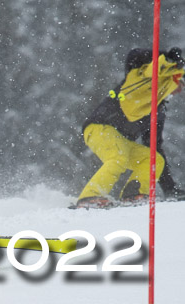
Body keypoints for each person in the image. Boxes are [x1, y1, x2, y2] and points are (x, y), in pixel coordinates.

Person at [76, 47, 184, 208]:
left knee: (154, 159)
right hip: (100, 127)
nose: (180, 88)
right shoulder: (139, 80)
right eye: (179, 82)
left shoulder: (157, 110)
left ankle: (134, 193)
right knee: (118, 157)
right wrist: (165, 57)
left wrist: (170, 189)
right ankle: (90, 196)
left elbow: (155, 147)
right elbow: (135, 57)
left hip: (119, 139)